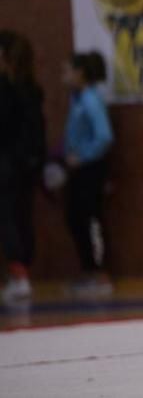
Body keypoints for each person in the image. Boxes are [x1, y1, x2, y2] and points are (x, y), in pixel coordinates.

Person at [62, 50, 115, 297]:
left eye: (68, 70)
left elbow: (104, 136)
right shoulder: (78, 98)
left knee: (90, 217)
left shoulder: (91, 99)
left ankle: (98, 274)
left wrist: (82, 156)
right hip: (78, 168)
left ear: (80, 73)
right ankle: (87, 270)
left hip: (91, 168)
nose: (64, 76)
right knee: (76, 218)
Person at [0, 31, 46, 303]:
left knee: (10, 218)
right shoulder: (30, 86)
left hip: (9, 163)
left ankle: (19, 274)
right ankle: (21, 273)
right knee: (21, 217)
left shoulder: (8, 88)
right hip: (27, 163)